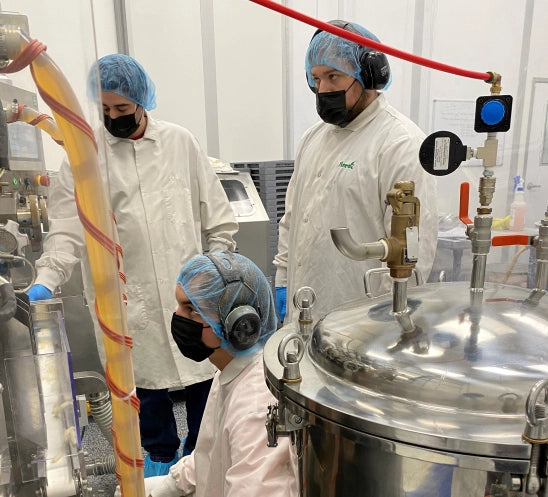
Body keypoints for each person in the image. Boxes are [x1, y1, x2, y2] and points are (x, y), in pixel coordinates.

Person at [26, 54, 238, 476]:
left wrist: (216, 277)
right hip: (127, 308)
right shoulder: (85, 156)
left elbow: (219, 220)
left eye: (122, 109)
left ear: (143, 101)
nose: (113, 118)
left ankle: (205, 467)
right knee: (145, 403)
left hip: (191, 302)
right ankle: (157, 469)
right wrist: (46, 280)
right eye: (104, 110)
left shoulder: (181, 143)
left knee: (207, 396)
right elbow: (68, 229)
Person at [274, 20, 438, 322]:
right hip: (304, 309)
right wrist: (283, 280)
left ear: (370, 75)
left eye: (333, 76)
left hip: (362, 322)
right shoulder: (312, 138)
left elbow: (415, 252)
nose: (322, 90)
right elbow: (292, 219)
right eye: (316, 79)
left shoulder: (401, 143)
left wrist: (384, 324)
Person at [140, 251, 298, 497]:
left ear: (239, 324)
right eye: (179, 305)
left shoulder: (256, 408)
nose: (178, 317)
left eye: (191, 310)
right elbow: (211, 449)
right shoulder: (231, 368)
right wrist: (168, 486)